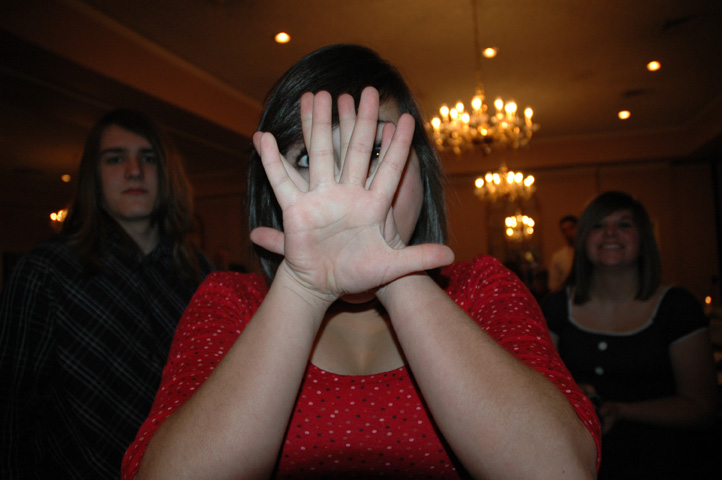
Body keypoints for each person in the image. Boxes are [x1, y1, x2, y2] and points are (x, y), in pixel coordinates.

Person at [122, 44, 600, 480]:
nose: (349, 185)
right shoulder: (230, 302)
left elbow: (558, 470)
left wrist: (395, 273)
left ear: (422, 171)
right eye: (310, 157)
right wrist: (302, 290)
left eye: (375, 151)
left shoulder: (482, 288)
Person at [0, 109, 213, 479]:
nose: (134, 171)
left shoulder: (203, 277)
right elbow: (11, 411)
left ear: (167, 173)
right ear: (93, 177)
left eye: (148, 158)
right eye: (115, 159)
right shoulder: (45, 273)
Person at [541, 191, 719, 479]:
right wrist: (569, 393)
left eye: (624, 224)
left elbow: (702, 407)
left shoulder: (677, 307)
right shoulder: (556, 307)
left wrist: (622, 410)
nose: (610, 232)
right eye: (598, 225)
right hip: (577, 464)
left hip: (664, 462)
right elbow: (536, 385)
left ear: (644, 238)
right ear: (583, 239)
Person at [548, 214, 577, 291]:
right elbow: (554, 285)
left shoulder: (591, 252)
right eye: (564, 231)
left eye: (571, 228)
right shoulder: (558, 257)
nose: (569, 233)